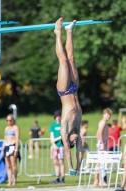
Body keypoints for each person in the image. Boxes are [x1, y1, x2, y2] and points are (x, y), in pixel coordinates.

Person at [54, 17, 82, 175]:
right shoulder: (77, 127)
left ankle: (57, 32)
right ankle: (69, 31)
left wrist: (71, 167)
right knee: (71, 60)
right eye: (75, 141)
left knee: (63, 62)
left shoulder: (65, 131)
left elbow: (68, 150)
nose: (76, 139)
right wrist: (79, 167)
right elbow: (80, 150)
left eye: (74, 141)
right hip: (75, 89)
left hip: (64, 90)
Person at [93, 108, 112, 187]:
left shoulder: (104, 123)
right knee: (101, 162)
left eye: (109, 115)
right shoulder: (103, 122)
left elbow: (97, 133)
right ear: (104, 114)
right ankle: (98, 180)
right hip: (102, 143)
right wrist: (102, 142)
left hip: (102, 142)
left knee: (100, 162)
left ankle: (98, 181)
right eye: (107, 114)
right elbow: (99, 133)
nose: (109, 116)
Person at [1, 114, 20, 186]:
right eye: (7, 120)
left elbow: (17, 139)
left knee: (13, 165)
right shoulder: (6, 128)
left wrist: (16, 149)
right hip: (7, 146)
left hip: (12, 146)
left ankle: (14, 181)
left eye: (10, 120)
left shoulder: (16, 127)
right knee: (8, 166)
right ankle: (9, 181)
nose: (9, 122)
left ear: (13, 120)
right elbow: (5, 139)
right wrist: (2, 149)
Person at [49, 110, 65, 184]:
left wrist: (54, 140)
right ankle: (57, 177)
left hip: (61, 145)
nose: (58, 118)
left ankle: (63, 178)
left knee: (61, 162)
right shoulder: (53, 125)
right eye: (57, 116)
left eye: (59, 116)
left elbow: (63, 136)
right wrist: (53, 144)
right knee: (55, 162)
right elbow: (51, 135)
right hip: (54, 146)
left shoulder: (63, 125)